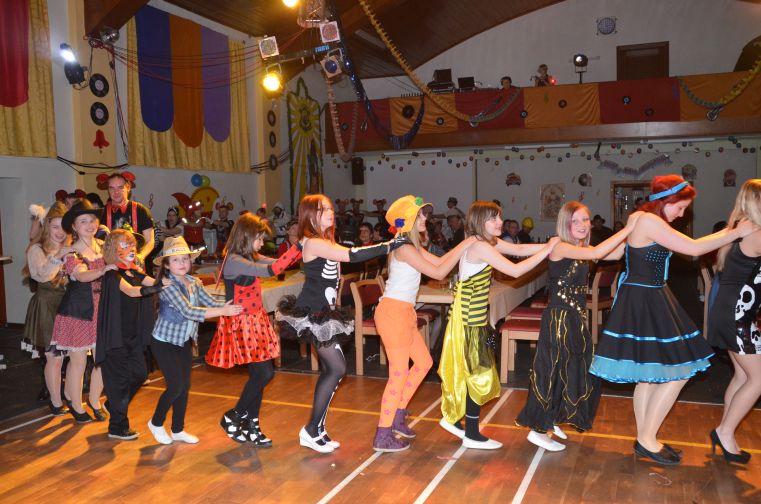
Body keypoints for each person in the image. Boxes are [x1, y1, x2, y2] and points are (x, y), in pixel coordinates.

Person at [589, 175, 756, 466]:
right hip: (645, 298)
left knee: (649, 374)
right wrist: (735, 232)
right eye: (680, 207)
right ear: (666, 201)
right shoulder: (648, 221)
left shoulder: (645, 220)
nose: (681, 214)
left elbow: (620, 252)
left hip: (648, 296)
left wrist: (732, 231)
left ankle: (645, 438)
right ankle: (647, 439)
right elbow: (693, 249)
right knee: (679, 371)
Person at [275, 194, 406, 454]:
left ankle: (316, 429)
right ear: (310, 215)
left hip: (325, 314)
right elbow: (352, 255)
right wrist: (390, 245)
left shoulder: (324, 240)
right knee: (336, 368)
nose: (330, 212)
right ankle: (312, 429)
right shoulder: (314, 242)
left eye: (330, 208)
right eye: (323, 209)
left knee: (332, 370)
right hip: (314, 315)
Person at [516, 202, 641, 451]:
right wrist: (629, 228)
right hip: (559, 319)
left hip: (574, 317)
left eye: (585, 220)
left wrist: (638, 234)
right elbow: (598, 253)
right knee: (552, 372)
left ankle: (552, 417)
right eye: (576, 221)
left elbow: (614, 254)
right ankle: (537, 430)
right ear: (565, 224)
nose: (583, 225)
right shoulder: (561, 247)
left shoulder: (581, 248)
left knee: (571, 369)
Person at [438, 201, 558, 449]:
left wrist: (552, 245)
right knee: (478, 374)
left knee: (472, 372)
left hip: (472, 317)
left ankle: (454, 420)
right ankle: (471, 434)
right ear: (480, 222)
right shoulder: (481, 246)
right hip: (469, 320)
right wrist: (548, 252)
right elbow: (515, 270)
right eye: (494, 218)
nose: (500, 222)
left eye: (499, 217)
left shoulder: (485, 242)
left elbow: (520, 248)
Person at [372, 196, 476, 452]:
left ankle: (398, 415)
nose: (425, 219)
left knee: (424, 362)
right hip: (393, 314)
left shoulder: (411, 246)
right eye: (420, 215)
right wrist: (466, 244)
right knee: (398, 374)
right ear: (408, 219)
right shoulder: (405, 248)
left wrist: (465, 244)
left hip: (403, 312)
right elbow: (439, 273)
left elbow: (440, 262)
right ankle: (383, 434)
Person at [207, 213, 302, 447]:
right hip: (242, 324)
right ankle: (234, 416)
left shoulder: (249, 256)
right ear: (246, 237)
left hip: (255, 321)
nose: (261, 244)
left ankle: (252, 425)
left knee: (259, 375)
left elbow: (277, 263)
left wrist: (303, 248)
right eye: (259, 239)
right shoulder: (234, 260)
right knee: (264, 374)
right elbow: (272, 270)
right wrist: (300, 245)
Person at [146, 237, 243, 445]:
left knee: (184, 386)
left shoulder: (194, 282)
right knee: (175, 386)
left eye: (185, 259)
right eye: (175, 260)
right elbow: (189, 311)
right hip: (164, 342)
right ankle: (156, 422)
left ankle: (178, 429)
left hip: (183, 341)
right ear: (166, 265)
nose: (181, 263)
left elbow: (210, 302)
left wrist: (233, 303)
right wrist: (224, 311)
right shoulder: (168, 286)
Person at [708, 180, 761, 464]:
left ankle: (725, 432)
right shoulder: (754, 232)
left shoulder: (740, 228)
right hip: (737, 315)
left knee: (743, 376)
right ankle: (725, 431)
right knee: (759, 379)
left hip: (732, 312)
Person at [96, 229, 164, 440]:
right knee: (118, 381)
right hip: (115, 338)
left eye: (132, 244)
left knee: (140, 374)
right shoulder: (112, 274)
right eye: (125, 245)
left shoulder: (134, 272)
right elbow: (132, 291)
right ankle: (117, 427)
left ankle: (112, 404)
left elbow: (153, 282)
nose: (131, 248)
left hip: (133, 336)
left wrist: (174, 279)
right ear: (113, 249)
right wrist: (160, 286)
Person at [50, 201, 114, 423]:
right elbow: (81, 276)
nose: (90, 224)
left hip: (102, 308)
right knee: (78, 361)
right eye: (83, 221)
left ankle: (94, 401)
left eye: (92, 220)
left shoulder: (104, 246)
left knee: (102, 360)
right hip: (78, 311)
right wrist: (104, 269)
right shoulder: (71, 251)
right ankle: (76, 406)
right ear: (74, 227)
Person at [21, 202, 72, 415]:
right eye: (55, 226)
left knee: (73, 357)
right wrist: (58, 257)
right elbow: (42, 275)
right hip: (47, 305)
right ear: (47, 226)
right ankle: (56, 402)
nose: (60, 232)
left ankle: (70, 397)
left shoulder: (71, 247)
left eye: (64, 227)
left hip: (69, 305)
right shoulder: (37, 249)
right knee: (55, 357)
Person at [104, 172, 155, 265]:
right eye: (112, 188)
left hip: (136, 264)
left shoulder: (141, 210)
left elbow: (150, 241)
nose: (116, 192)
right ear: (108, 190)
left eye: (120, 187)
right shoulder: (102, 212)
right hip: (111, 265)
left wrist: (140, 256)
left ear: (128, 188)